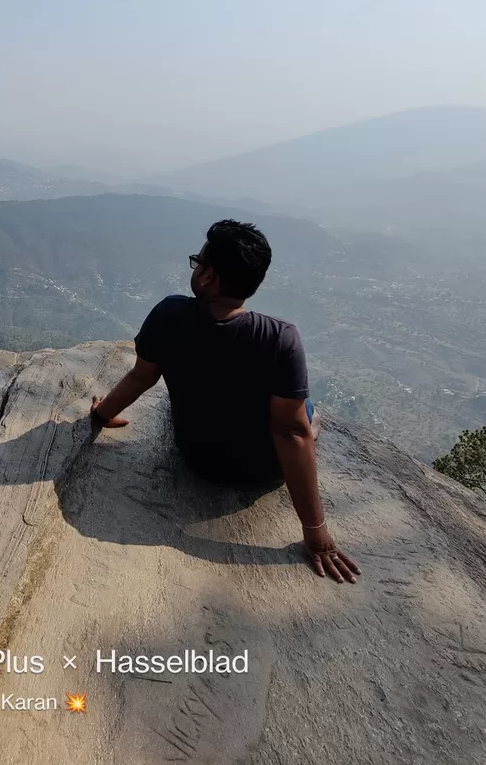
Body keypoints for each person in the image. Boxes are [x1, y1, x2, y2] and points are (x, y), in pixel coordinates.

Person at [88, 219, 360, 584]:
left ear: (208, 277)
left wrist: (102, 414)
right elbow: (290, 435)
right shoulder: (280, 339)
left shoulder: (169, 314)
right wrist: (316, 532)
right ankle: (315, 423)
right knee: (301, 412)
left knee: (285, 410)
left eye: (197, 262)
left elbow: (142, 377)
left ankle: (307, 420)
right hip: (262, 473)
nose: (196, 267)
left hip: (197, 460)